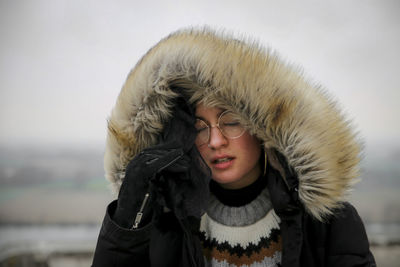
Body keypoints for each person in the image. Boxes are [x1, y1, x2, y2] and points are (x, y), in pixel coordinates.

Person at [92, 28, 376, 267]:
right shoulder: (163, 224)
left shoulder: (327, 223)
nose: (216, 141)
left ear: (263, 128)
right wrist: (128, 222)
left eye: (231, 122)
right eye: (200, 127)